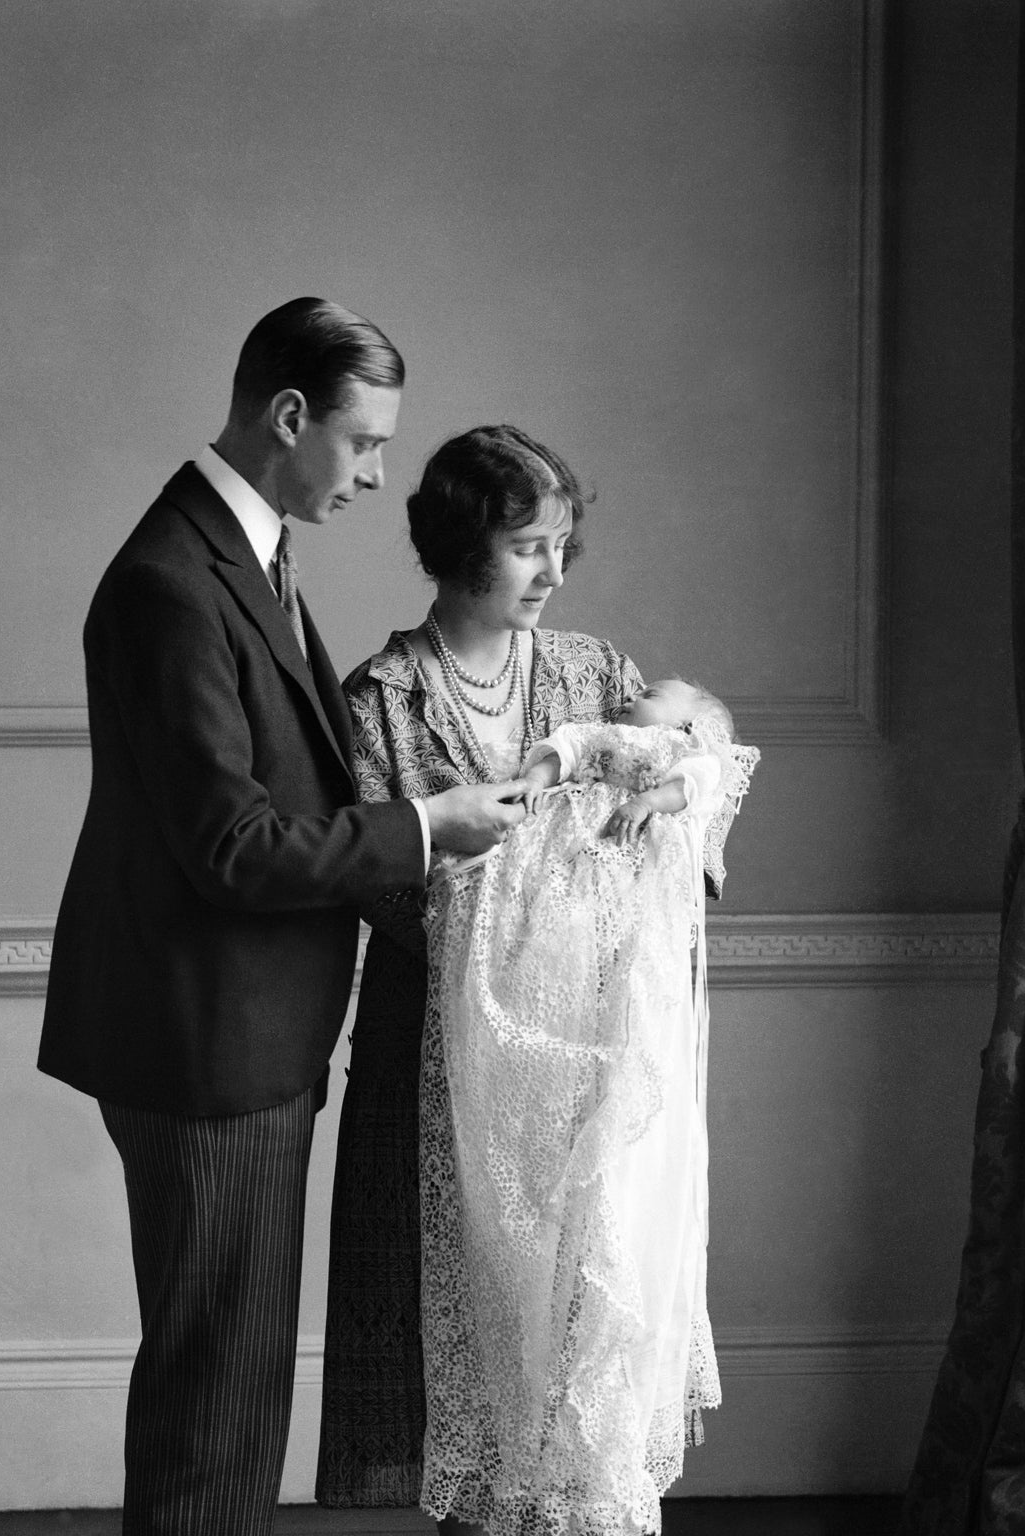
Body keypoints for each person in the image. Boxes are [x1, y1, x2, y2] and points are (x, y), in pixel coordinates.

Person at [38, 299, 527, 1536]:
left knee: (234, 1379)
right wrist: (427, 827)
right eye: (362, 445)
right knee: (218, 1393)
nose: (375, 475)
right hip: (206, 1043)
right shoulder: (171, 581)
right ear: (289, 414)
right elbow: (232, 846)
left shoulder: (238, 554)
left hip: (242, 1033)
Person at [315, 426, 748, 1526]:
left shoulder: (590, 671)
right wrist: (541, 867)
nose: (552, 572)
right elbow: (389, 887)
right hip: (436, 1053)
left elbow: (686, 783)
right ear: (462, 546)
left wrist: (665, 803)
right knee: (461, 1348)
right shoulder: (382, 701)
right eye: (525, 547)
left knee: (578, 1344)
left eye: (562, 546)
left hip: (592, 1054)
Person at [421, 677, 759, 1536]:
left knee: (611, 1204)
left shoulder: (681, 751)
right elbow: (561, 748)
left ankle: (592, 1477)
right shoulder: (598, 729)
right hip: (555, 929)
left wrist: (660, 796)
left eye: (662, 695)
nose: (638, 690)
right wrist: (541, 779)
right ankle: (535, 1473)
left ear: (685, 721)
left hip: (620, 946)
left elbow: (709, 780)